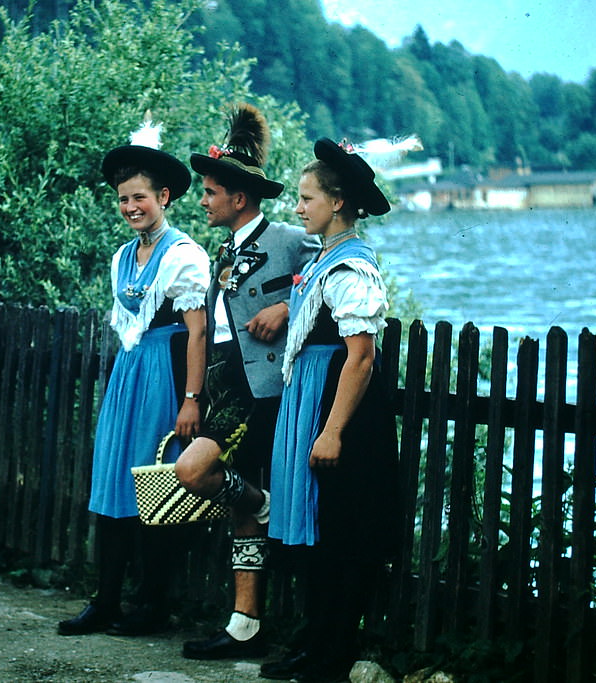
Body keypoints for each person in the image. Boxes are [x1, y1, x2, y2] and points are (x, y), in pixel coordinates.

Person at [174, 103, 319, 660]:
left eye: (210, 192)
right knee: (242, 508)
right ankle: (245, 625)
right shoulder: (222, 250)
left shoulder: (287, 237)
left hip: (267, 394)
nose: (204, 200)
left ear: (238, 197)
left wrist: (286, 304)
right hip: (226, 388)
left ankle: (261, 511)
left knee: (194, 471)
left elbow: (335, 267)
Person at [58, 120, 209, 637]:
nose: (130, 208)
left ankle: (152, 604)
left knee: (155, 487)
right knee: (114, 485)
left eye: (139, 197)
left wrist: (190, 399)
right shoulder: (124, 257)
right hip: (129, 373)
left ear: (163, 196)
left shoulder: (184, 255)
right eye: (123, 199)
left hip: (165, 377)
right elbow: (126, 325)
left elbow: (198, 332)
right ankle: (105, 601)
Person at [259, 138, 401, 682]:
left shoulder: (351, 268)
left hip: (337, 402)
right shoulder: (324, 261)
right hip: (311, 396)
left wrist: (333, 430)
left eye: (306, 198)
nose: (298, 208)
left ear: (337, 203)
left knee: (340, 529)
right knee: (315, 529)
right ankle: (313, 642)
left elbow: (360, 358)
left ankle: (332, 652)